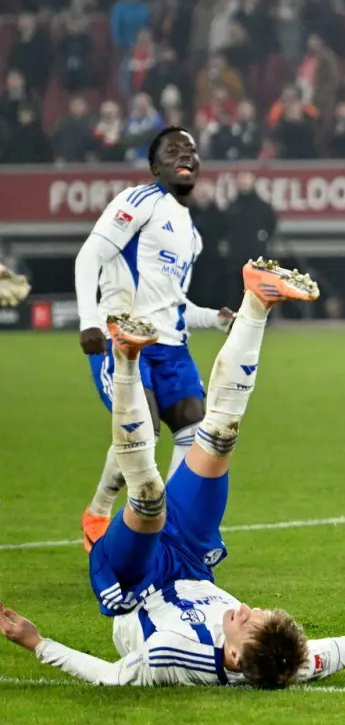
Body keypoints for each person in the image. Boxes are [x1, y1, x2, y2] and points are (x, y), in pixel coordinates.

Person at [1, 262, 345, 687]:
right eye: (264, 613)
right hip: (192, 560)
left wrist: (35, 641)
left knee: (150, 500)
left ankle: (126, 357)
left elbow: (109, 676)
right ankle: (257, 300)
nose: (250, 609)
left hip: (134, 582)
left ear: (233, 657)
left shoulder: (171, 656)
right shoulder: (287, 658)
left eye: (249, 622)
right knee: (220, 439)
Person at [73, 128, 234, 553]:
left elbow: (176, 305)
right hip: (125, 338)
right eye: (173, 150)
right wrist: (89, 319)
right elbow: (90, 255)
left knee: (195, 425)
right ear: (155, 166)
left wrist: (216, 319)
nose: (185, 155)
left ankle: (176, 527)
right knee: (142, 428)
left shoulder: (191, 234)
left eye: (191, 150)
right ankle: (101, 513)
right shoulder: (138, 201)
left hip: (172, 348)